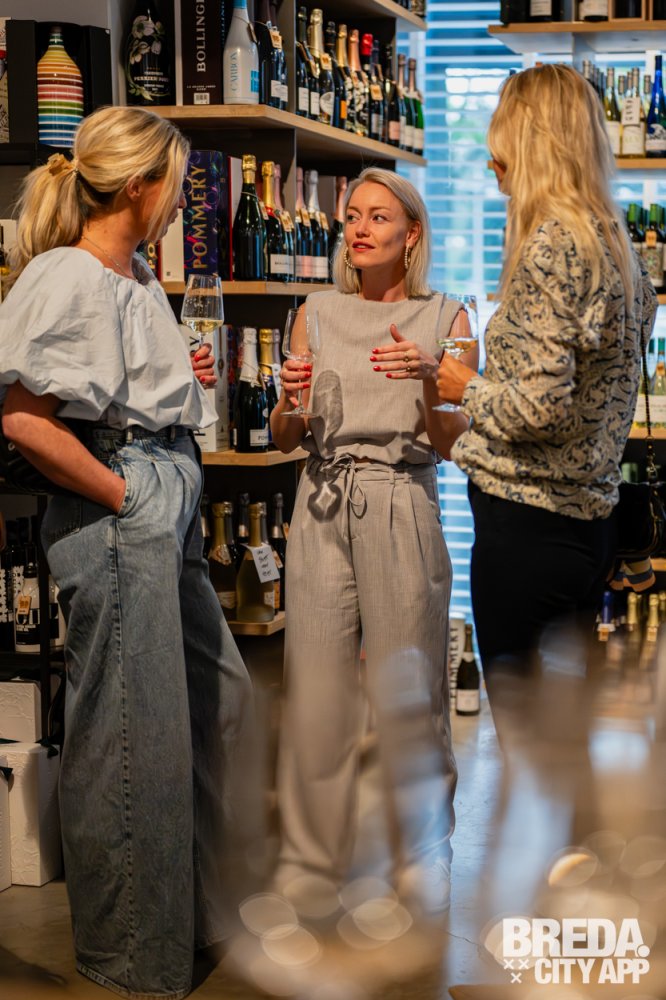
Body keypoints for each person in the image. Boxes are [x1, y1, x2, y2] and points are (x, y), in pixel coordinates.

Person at [0, 107, 255, 999]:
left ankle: (195, 914)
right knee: (130, 735)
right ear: (141, 185)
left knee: (218, 702)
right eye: (177, 184)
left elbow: (126, 386)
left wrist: (181, 392)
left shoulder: (136, 273)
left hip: (160, 498)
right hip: (124, 506)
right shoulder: (68, 272)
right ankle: (135, 955)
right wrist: (126, 497)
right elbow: (23, 418)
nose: (184, 201)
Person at [270, 167, 477, 917]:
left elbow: (450, 443)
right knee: (316, 691)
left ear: (412, 233)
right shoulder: (315, 313)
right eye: (352, 215)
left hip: (401, 496)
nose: (359, 228)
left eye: (378, 217)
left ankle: (422, 856)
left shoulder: (449, 317)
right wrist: (289, 401)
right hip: (321, 499)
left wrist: (427, 374)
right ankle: (314, 857)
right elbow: (285, 436)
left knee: (407, 694)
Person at [436, 64, 657, 684]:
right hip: (591, 529)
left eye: (501, 148)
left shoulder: (551, 245)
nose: (492, 165)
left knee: (527, 734)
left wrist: (464, 387)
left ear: (534, 146)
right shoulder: (618, 245)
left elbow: (540, 409)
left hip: (527, 531)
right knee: (564, 733)